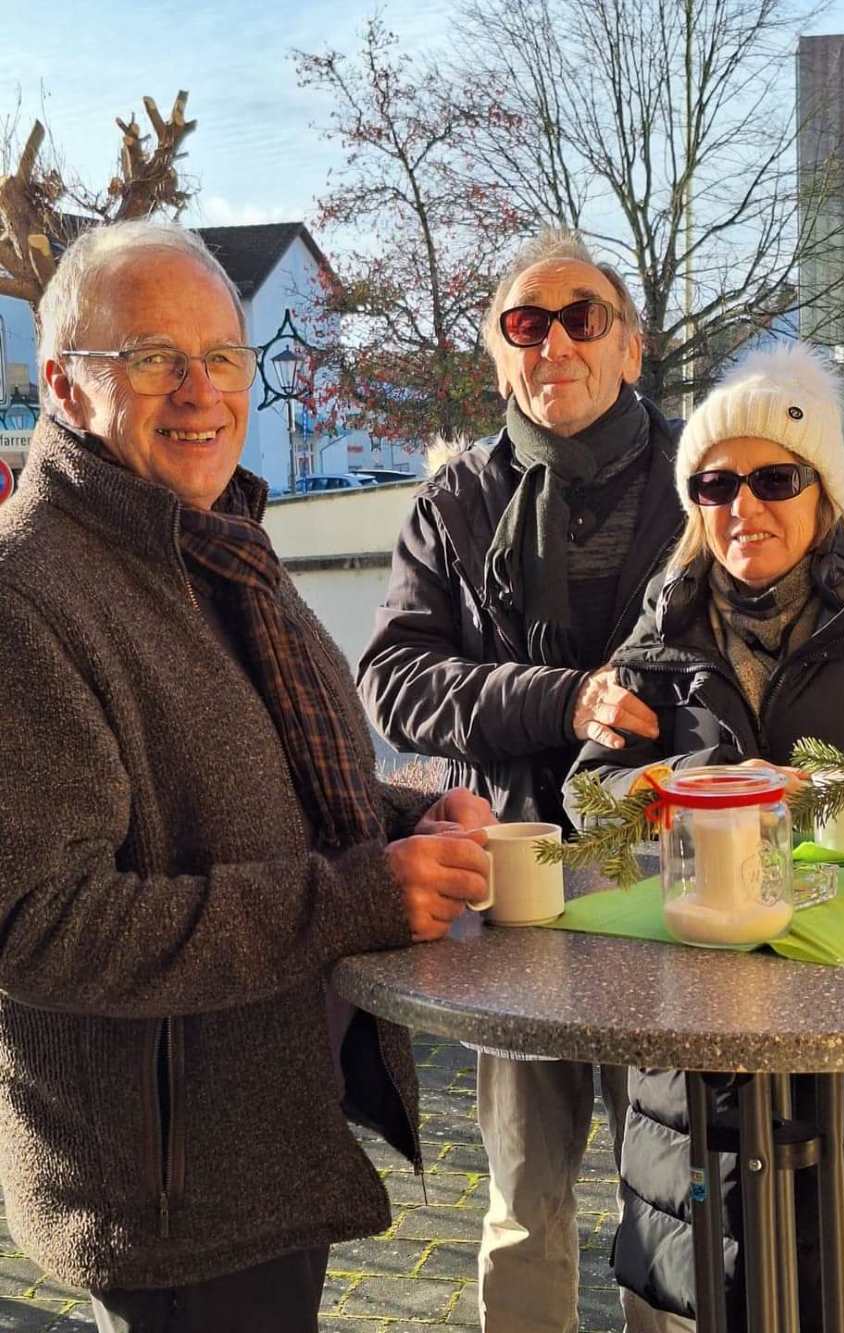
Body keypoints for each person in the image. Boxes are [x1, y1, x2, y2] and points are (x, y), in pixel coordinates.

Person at [356, 228, 844, 1333]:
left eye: (579, 317)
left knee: (679, 1196)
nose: (552, 340)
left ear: (630, 345)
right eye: (524, 322)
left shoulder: (700, 461)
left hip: (695, 916)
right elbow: (394, 679)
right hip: (523, 903)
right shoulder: (455, 502)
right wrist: (562, 700)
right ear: (499, 351)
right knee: (523, 1196)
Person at [0, 219, 494, 1333]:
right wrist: (364, 893)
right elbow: (41, 926)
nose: (200, 391)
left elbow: (264, 783)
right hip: (170, 1187)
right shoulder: (28, 594)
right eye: (151, 358)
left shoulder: (213, 543)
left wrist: (412, 822)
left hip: (263, 1134)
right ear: (66, 388)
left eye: (222, 355)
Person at [568, 340, 844, 1333]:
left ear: (825, 494)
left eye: (773, 478)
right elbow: (589, 807)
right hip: (700, 1066)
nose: (742, 506)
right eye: (716, 483)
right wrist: (681, 793)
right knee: (720, 1300)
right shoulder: (660, 639)